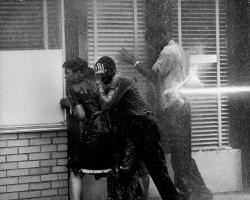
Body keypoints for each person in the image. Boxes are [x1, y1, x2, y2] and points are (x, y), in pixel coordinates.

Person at [119, 40, 213, 200]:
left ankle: (195, 192)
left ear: (159, 35)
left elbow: (154, 76)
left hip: (175, 107)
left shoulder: (167, 52)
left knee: (180, 154)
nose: (148, 46)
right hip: (179, 106)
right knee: (181, 153)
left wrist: (133, 61)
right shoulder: (177, 48)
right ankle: (197, 192)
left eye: (149, 41)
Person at [94, 56, 180, 200]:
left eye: (100, 73)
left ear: (108, 71)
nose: (99, 77)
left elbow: (106, 105)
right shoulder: (113, 83)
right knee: (125, 170)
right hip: (134, 130)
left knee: (157, 172)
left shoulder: (118, 80)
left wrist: (97, 81)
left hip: (145, 127)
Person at [61, 58, 145, 200]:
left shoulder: (73, 88)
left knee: (76, 169)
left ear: (78, 73)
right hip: (113, 131)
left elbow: (81, 115)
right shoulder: (102, 81)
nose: (65, 76)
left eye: (67, 73)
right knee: (116, 167)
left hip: (93, 133)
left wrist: (70, 106)